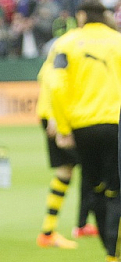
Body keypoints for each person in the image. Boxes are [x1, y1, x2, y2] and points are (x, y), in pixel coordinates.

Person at [50, 0, 121, 262]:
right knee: (116, 192)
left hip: (83, 127)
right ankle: (113, 258)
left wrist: (65, 128)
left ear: (80, 16)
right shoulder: (117, 41)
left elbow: (56, 85)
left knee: (96, 189)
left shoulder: (66, 43)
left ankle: (108, 248)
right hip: (114, 124)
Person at [35, 44, 97, 248]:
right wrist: (55, 116)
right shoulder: (73, 45)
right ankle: (77, 225)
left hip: (54, 113)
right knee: (93, 168)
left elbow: (44, 76)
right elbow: (53, 82)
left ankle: (51, 230)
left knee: (67, 171)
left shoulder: (61, 46)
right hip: (59, 116)